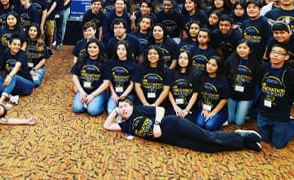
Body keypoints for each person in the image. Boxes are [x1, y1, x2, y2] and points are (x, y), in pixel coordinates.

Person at [103, 97, 262, 153]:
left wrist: (157, 124)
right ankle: (244, 144)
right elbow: (107, 126)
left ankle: (240, 135)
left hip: (174, 124)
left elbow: (160, 109)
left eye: (125, 106)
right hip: (173, 140)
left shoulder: (139, 110)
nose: (123, 109)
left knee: (209, 137)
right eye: (121, 108)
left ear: (131, 106)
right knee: (208, 148)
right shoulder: (126, 125)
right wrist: (115, 111)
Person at [256, 44, 294, 148]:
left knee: (278, 144)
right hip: (264, 111)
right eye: (273, 52)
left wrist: (285, 101)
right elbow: (258, 84)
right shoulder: (262, 68)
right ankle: (273, 129)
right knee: (264, 139)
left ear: (286, 57)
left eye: (279, 53)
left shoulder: (292, 74)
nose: (275, 55)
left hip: (281, 114)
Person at [0, 35, 33, 105]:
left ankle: (1, 100)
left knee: (14, 76)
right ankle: (11, 97)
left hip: (27, 85)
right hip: (13, 86)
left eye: (19, 45)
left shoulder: (22, 54)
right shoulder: (5, 53)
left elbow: (17, 67)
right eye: (14, 44)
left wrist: (9, 76)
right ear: (9, 44)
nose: (17, 47)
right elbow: (1, 67)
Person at [71, 39, 110, 116]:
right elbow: (75, 76)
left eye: (95, 47)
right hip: (83, 90)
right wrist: (81, 91)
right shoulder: (81, 59)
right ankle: (88, 102)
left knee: (93, 111)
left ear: (99, 49)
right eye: (89, 47)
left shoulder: (105, 62)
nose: (92, 49)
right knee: (77, 108)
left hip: (98, 91)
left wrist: (93, 95)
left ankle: (102, 101)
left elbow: (106, 83)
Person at [224, 39, 259, 126]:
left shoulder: (256, 64)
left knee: (239, 122)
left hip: (246, 96)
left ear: (250, 50)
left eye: (244, 48)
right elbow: (225, 77)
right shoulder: (230, 60)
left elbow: (256, 82)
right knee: (230, 119)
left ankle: (246, 112)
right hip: (232, 94)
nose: (241, 50)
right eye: (239, 47)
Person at [196, 56, 229, 131]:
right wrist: (204, 108)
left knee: (209, 126)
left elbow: (224, 99)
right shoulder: (202, 77)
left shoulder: (223, 80)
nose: (210, 66)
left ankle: (222, 119)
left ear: (219, 67)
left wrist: (213, 113)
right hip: (205, 106)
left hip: (218, 109)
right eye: (209, 63)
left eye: (213, 65)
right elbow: (200, 95)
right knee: (199, 124)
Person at [167, 51, 200, 122]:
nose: (182, 60)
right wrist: (175, 106)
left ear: (189, 60)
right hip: (174, 105)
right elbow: (168, 91)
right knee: (172, 121)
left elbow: (195, 94)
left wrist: (186, 110)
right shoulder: (171, 73)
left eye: (185, 58)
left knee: (186, 123)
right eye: (180, 58)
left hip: (189, 106)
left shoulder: (195, 74)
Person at [105, 40, 137, 114]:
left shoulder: (133, 65)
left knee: (126, 111)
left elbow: (132, 84)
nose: (120, 51)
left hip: (128, 93)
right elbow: (109, 80)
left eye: (123, 49)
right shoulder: (110, 63)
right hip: (114, 93)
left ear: (127, 51)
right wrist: (113, 93)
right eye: (118, 49)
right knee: (110, 111)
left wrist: (123, 96)